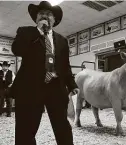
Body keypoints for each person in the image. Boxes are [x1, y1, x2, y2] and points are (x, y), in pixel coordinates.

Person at [11, 1, 78, 145]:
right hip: (30, 88)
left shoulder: (62, 40)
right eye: (41, 14)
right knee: (25, 130)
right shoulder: (25, 32)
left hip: (56, 88)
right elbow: (17, 50)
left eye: (49, 15)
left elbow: (65, 65)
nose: (45, 17)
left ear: (55, 20)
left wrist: (72, 84)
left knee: (63, 128)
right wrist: (38, 32)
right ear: (36, 18)